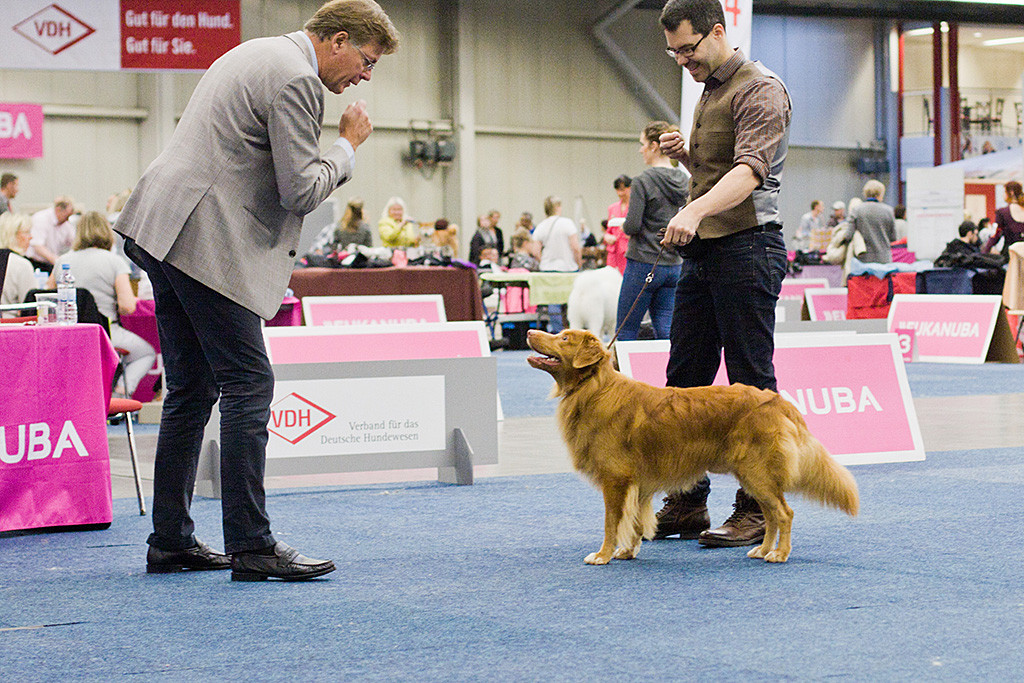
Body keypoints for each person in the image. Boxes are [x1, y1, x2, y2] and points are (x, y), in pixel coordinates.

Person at [114, 0, 399, 581]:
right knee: (249, 382)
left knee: (192, 390)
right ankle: (252, 545)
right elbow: (300, 190)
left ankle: (171, 539)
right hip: (200, 239)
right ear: (338, 39)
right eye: (366, 61)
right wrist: (346, 147)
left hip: (162, 227)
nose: (365, 77)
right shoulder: (298, 78)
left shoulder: (256, 50)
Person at [654, 0, 792, 547]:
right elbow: (716, 172)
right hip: (708, 253)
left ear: (717, 32)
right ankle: (687, 502)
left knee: (751, 386)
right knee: (682, 382)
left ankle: (758, 508)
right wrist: (688, 157)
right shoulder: (709, 86)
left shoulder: (761, 88)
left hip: (750, 248)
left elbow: (751, 173)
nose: (683, 60)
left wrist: (691, 209)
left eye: (688, 48)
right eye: (674, 53)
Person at [47, 212, 156, 397]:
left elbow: (48, 297)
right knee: (146, 354)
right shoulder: (115, 262)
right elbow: (127, 306)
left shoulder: (62, 261)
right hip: (105, 333)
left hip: (67, 335)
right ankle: (120, 393)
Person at [615, 122, 687, 341]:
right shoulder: (684, 180)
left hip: (643, 264)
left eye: (643, 144)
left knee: (626, 329)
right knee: (666, 330)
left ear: (655, 146)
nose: (641, 149)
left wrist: (622, 225)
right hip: (674, 265)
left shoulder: (642, 181)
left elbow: (633, 226)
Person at [533, 196, 581, 332]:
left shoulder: (541, 226)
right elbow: (575, 247)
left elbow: (536, 251)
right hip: (567, 268)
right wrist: (578, 264)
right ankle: (572, 331)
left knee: (553, 301)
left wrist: (544, 261)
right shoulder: (567, 223)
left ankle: (557, 332)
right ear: (558, 207)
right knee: (571, 302)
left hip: (548, 269)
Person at [840, 180, 896, 264]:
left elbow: (848, 235)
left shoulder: (857, 210)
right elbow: (893, 237)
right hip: (884, 259)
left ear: (865, 193)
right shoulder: (889, 211)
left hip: (863, 259)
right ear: (881, 193)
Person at [0, 212, 36, 314]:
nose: (31, 237)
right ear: (13, 235)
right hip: (11, 325)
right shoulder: (21, 264)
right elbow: (31, 306)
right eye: (27, 232)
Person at [27, 196, 76, 267]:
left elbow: (74, 242)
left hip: (50, 262)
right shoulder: (41, 219)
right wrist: (57, 260)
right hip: (35, 262)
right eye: (67, 216)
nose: (68, 219)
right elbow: (37, 246)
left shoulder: (66, 224)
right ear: (58, 209)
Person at [982, 181, 1024, 258]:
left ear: (1011, 193)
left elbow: (996, 235)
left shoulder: (1003, 213)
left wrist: (984, 252)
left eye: (1004, 192)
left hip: (1010, 256)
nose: (1003, 195)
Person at [604, 175, 631, 274]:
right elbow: (608, 231)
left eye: (623, 189)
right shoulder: (612, 208)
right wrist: (607, 237)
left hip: (628, 251)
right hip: (613, 253)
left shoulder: (635, 208)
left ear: (630, 188)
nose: (620, 193)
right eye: (618, 190)